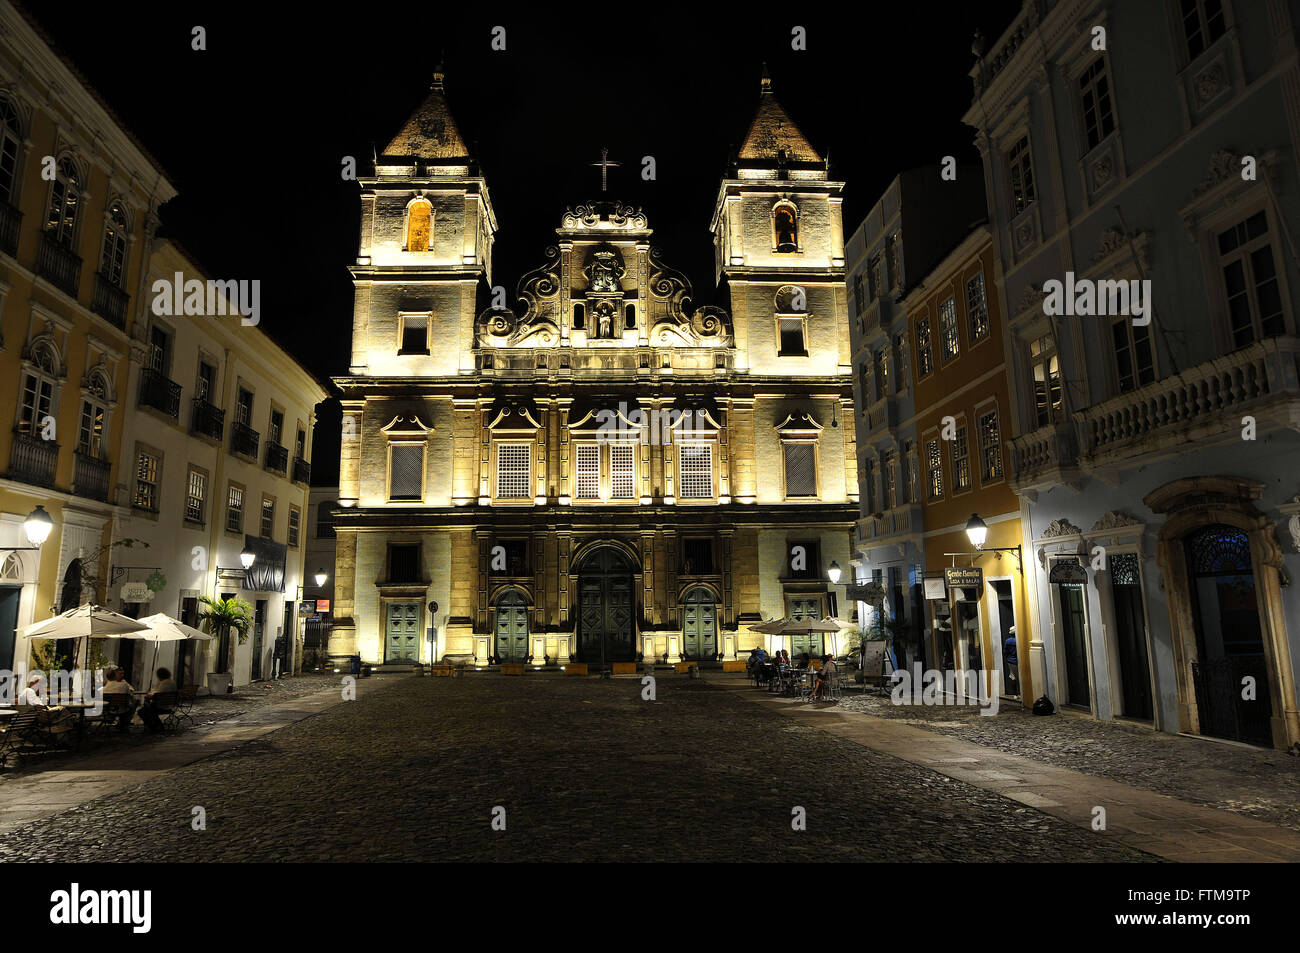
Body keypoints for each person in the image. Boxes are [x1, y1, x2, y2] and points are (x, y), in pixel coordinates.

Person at [138, 667, 177, 733]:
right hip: (170, 705)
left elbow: (156, 694)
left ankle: (156, 726)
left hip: (161, 706)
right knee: (145, 710)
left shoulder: (164, 683)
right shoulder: (172, 682)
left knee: (142, 711)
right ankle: (154, 726)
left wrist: (149, 694)